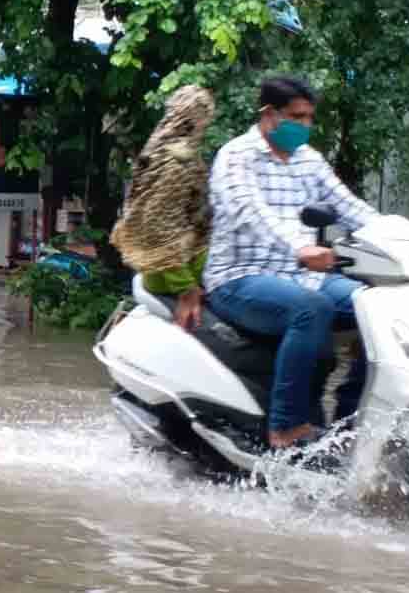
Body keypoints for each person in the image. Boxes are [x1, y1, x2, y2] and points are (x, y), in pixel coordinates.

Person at [204, 76, 377, 449]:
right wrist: (300, 247)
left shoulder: (309, 160)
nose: (305, 126)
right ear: (269, 114)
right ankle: (285, 428)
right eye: (297, 117)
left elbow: (350, 208)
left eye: (310, 118)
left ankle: (350, 423)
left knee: (375, 307)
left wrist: (403, 237)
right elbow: (251, 213)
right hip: (238, 278)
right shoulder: (236, 157)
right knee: (310, 309)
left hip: (300, 276)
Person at [110, 85, 215, 331]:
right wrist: (186, 288)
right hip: (177, 275)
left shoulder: (158, 147)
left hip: (177, 269)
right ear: (198, 119)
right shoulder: (177, 160)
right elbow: (159, 226)